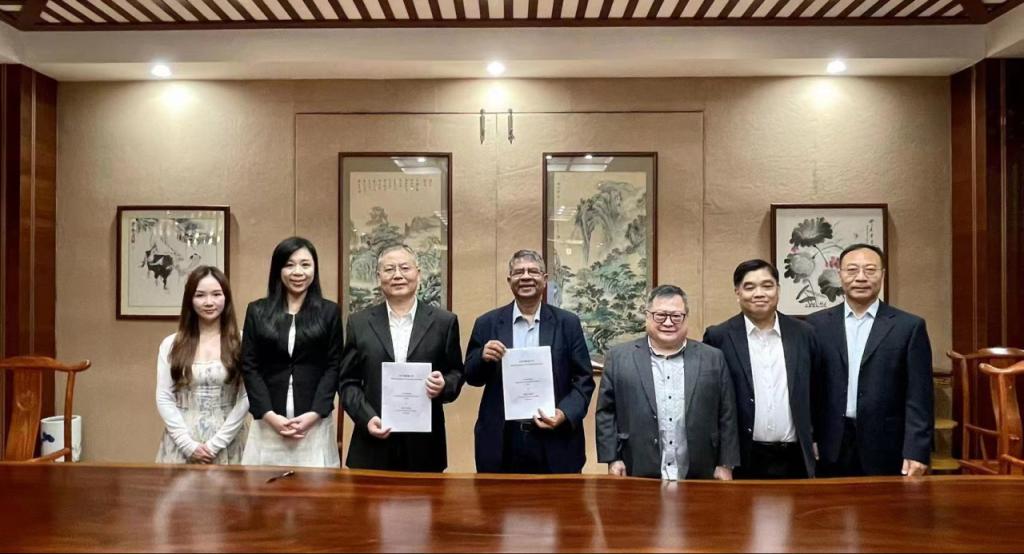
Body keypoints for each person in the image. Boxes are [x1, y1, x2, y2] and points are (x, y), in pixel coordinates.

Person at [806, 243, 933, 477]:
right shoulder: (816, 325)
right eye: (852, 270)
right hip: (830, 443)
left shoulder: (908, 327)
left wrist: (917, 450)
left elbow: (919, 396)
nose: (861, 277)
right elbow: (809, 389)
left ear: (882, 275)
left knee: (885, 502)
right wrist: (810, 437)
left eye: (870, 270)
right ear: (840, 274)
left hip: (887, 445)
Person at [465, 249, 595, 474]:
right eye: (519, 272)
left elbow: (583, 379)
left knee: (560, 498)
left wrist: (564, 413)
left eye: (533, 271)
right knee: (496, 498)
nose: (525, 277)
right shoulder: (488, 323)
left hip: (556, 439)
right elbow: (471, 376)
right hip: (502, 440)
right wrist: (483, 358)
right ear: (509, 280)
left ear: (544, 280)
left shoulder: (568, 323)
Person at [340, 244, 464, 472]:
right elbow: (348, 383)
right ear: (379, 277)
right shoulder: (359, 323)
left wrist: (444, 385)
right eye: (389, 269)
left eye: (405, 268)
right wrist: (367, 418)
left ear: (418, 273)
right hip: (371, 444)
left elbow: (456, 373)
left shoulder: (444, 322)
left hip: (425, 446)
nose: (397, 275)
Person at [596, 285, 739, 480]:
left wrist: (726, 463)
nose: (668, 322)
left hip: (700, 469)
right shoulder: (619, 357)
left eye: (676, 316)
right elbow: (606, 412)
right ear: (647, 316)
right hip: (636, 466)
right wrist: (612, 458)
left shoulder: (713, 358)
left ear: (686, 318)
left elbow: (727, 414)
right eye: (660, 315)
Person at [703, 259, 817, 479]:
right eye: (749, 287)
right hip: (742, 457)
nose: (759, 293)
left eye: (767, 285)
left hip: (795, 456)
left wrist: (814, 438)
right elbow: (711, 401)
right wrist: (721, 459)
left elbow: (818, 390)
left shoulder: (804, 334)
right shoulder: (719, 337)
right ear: (737, 293)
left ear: (778, 289)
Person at [240, 237, 343, 468]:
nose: (298, 272)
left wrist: (315, 414)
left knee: (316, 488)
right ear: (278, 269)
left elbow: (334, 366)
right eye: (289, 265)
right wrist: (269, 415)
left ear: (314, 269)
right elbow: (249, 366)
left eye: (305, 265)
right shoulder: (257, 310)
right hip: (268, 423)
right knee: (264, 487)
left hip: (313, 424)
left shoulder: (329, 312)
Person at [155, 265, 249, 464]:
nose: (209, 302)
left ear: (226, 298)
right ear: (190, 299)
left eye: (216, 294)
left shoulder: (242, 342)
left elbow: (246, 397)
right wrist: (188, 445)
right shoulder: (171, 344)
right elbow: (164, 397)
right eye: (200, 295)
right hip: (182, 442)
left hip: (228, 441)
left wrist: (216, 444)